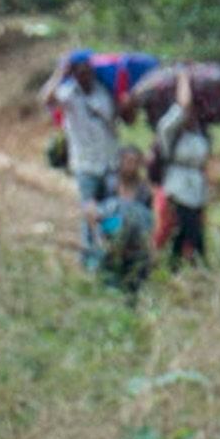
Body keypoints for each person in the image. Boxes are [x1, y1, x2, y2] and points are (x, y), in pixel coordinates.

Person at [40, 55, 122, 267]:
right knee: (90, 213)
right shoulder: (68, 95)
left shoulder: (105, 93)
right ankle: (90, 259)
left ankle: (110, 254)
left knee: (111, 211)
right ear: (74, 73)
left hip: (109, 162)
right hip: (85, 164)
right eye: (80, 71)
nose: (85, 74)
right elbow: (46, 100)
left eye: (88, 70)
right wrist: (60, 74)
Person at [155, 69, 213, 266]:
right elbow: (184, 105)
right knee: (183, 232)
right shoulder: (169, 127)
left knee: (192, 235)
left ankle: (182, 271)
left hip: (196, 189)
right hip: (177, 188)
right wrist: (183, 77)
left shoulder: (201, 131)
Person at [99, 147, 154, 295]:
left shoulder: (144, 191)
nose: (131, 166)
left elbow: (148, 220)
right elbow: (98, 215)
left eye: (135, 162)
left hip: (136, 241)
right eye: (128, 161)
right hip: (111, 234)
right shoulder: (108, 185)